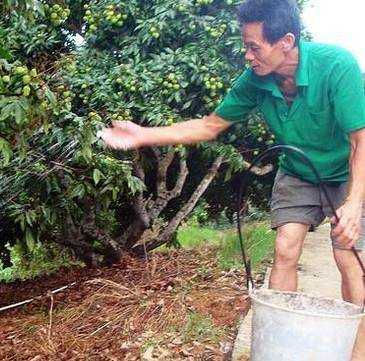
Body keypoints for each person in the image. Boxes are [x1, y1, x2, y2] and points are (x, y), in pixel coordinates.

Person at [100, 0, 365, 358]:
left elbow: (359, 140)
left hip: (347, 171)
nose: (247, 55)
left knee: (349, 259)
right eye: (245, 46)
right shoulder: (255, 82)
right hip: (298, 172)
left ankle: (356, 351)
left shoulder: (336, 66)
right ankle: (277, 349)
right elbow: (209, 126)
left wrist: (354, 203)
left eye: (254, 46)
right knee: (285, 248)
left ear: (286, 41)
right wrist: (144, 135)